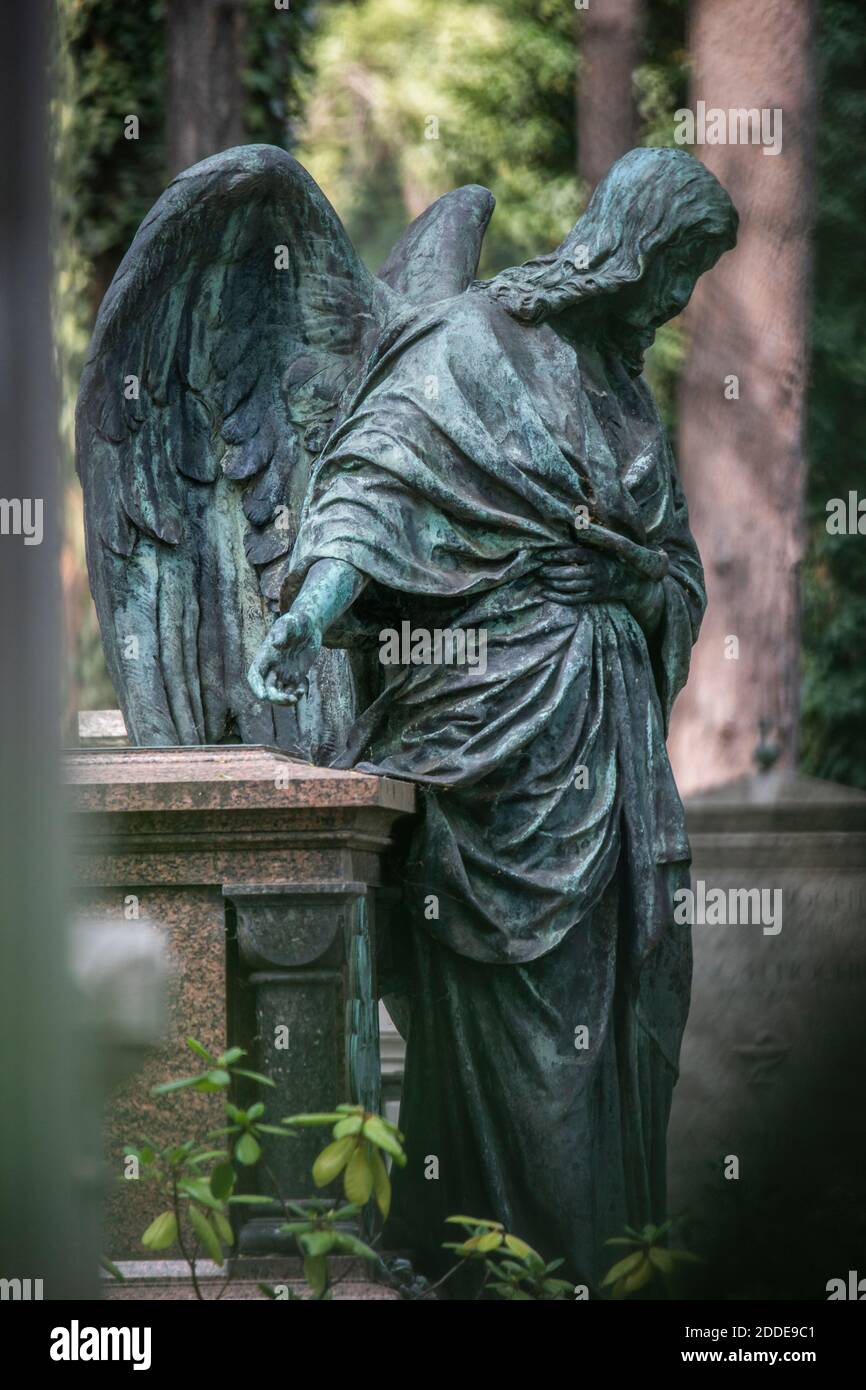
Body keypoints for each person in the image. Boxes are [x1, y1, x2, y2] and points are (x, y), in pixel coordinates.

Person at [249, 147, 738, 1291]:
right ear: (626, 245)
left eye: (692, 280)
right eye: (671, 268)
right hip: (498, 745)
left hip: (610, 734)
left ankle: (596, 1262)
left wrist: (634, 583)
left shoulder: (618, 382)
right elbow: (368, 490)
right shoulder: (474, 341)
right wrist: (308, 610)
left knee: (628, 1005)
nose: (674, 301)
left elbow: (670, 565)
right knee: (531, 1032)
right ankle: (517, 1267)